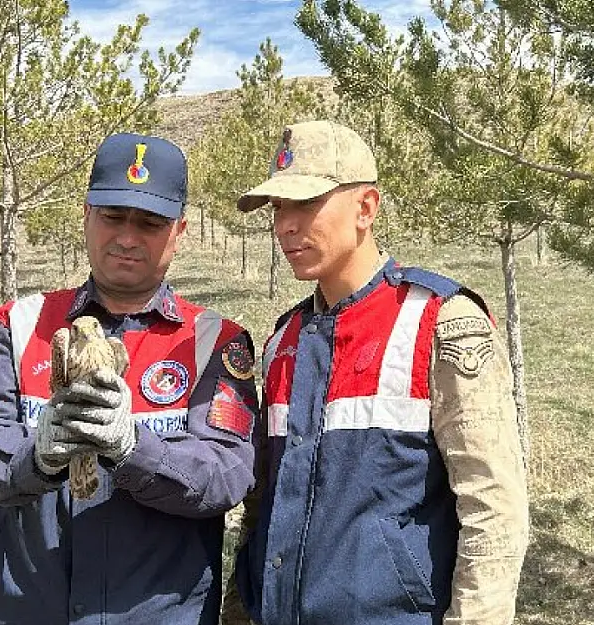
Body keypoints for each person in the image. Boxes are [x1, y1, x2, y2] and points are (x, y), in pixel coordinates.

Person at [226, 120, 530, 625]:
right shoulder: (284, 340)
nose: (284, 225)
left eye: (305, 203)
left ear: (365, 208)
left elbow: (494, 509)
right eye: (279, 208)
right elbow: (262, 506)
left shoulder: (440, 322)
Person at [0, 132, 259, 625]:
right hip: (21, 611)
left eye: (151, 222)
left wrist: (134, 448)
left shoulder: (215, 343)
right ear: (86, 215)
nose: (128, 237)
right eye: (113, 216)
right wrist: (38, 455)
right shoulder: (21, 324)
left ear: (179, 231)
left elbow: (226, 476)